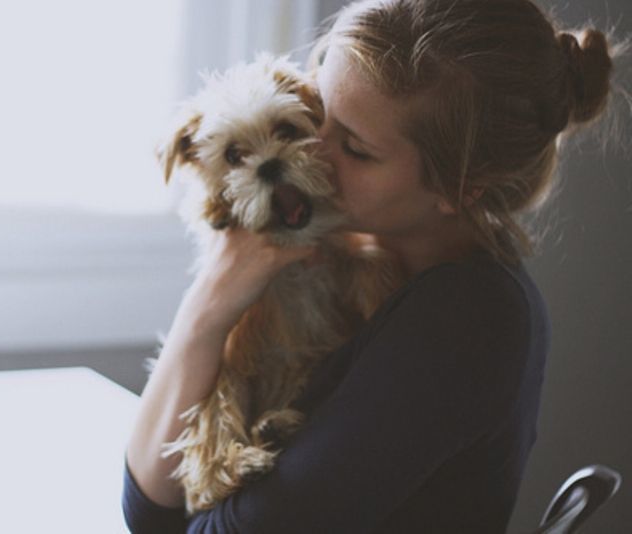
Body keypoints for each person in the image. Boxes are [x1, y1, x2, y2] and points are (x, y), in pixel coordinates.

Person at [123, 0, 617, 532]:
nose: (311, 151)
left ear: (459, 186)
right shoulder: (332, 259)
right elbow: (151, 508)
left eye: (355, 148)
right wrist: (210, 306)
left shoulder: (466, 319)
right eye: (315, 113)